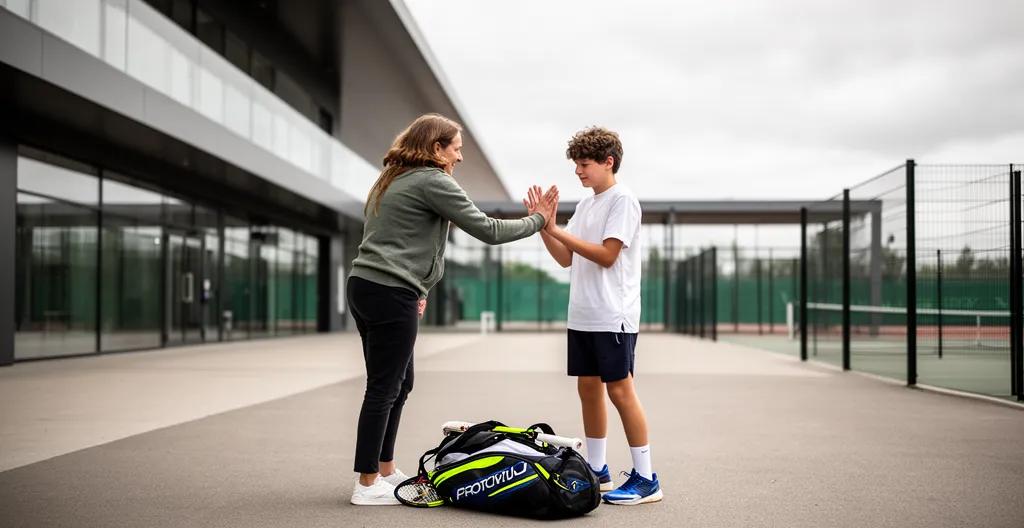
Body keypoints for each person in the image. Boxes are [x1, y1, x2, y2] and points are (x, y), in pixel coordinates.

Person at [346, 113, 559, 506]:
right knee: (384, 387)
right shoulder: (432, 180)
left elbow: (396, 239)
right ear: (436, 148)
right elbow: (488, 230)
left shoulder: (392, 177)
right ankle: (366, 483)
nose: (459, 158)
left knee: (399, 384)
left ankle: (386, 471)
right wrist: (539, 220)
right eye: (456, 149)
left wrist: (420, 287)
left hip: (368, 287)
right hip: (390, 291)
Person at [528, 126, 662, 505]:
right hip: (583, 315)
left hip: (612, 315)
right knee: (588, 389)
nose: (578, 171)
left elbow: (606, 255)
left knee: (620, 390)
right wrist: (543, 228)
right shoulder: (586, 205)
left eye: (584, 164)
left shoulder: (623, 200)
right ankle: (598, 469)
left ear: (608, 162)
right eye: (575, 164)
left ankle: (646, 477)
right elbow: (567, 258)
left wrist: (555, 228)